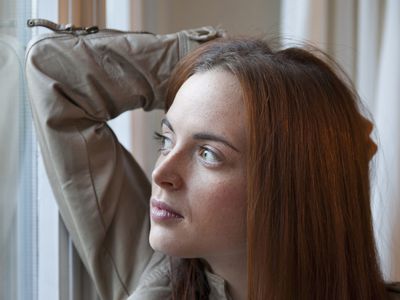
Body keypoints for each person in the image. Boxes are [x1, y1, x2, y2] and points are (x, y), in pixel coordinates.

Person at [26, 22, 399, 300]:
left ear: (292, 184)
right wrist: (236, 65)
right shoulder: (158, 278)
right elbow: (55, 73)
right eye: (166, 139)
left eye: (208, 154)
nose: (161, 173)